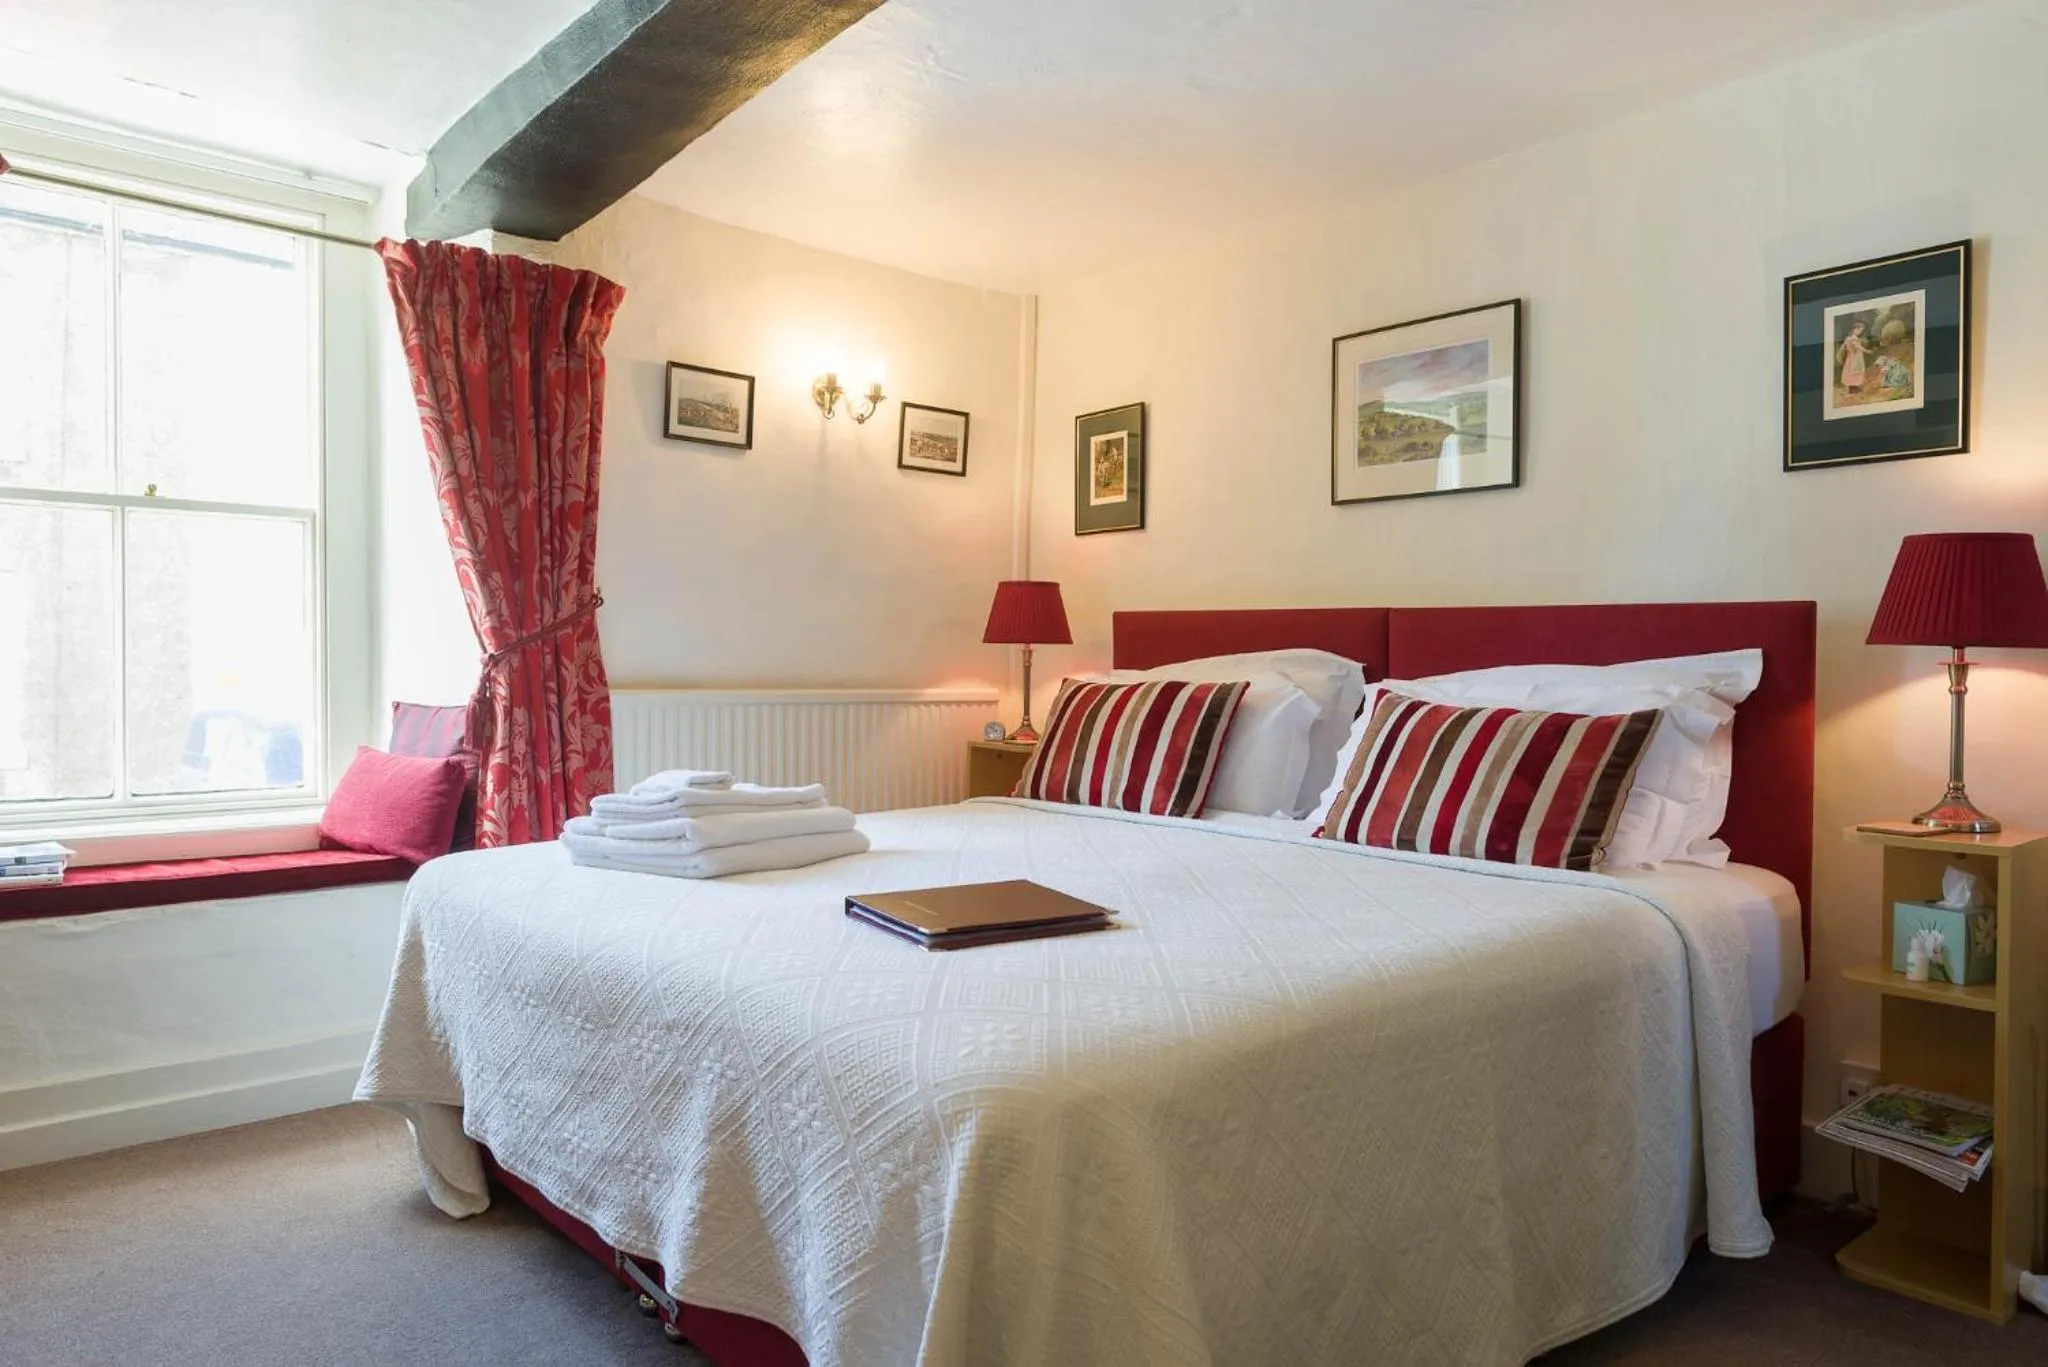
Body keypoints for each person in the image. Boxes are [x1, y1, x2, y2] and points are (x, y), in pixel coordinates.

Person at [1838, 319, 1870, 397]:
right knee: (1854, 371)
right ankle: (1853, 386)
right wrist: (1867, 351)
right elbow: (1858, 347)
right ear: (1854, 329)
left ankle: (1853, 387)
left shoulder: (1849, 338)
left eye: (1861, 330)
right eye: (1859, 329)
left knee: (1851, 371)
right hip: (1854, 358)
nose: (1860, 331)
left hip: (1851, 358)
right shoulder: (1853, 339)